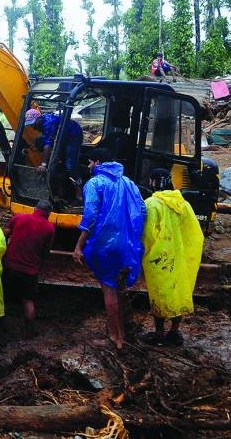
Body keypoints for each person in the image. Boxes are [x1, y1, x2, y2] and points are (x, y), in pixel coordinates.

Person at [74, 148, 146, 350]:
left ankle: (116, 337)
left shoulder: (95, 183)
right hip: (127, 244)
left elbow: (90, 216)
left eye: (89, 162)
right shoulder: (128, 182)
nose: (88, 166)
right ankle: (124, 332)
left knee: (108, 290)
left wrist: (79, 246)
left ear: (97, 162)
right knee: (119, 286)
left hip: (104, 244)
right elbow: (141, 210)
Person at [139, 168, 203, 346]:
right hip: (181, 257)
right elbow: (195, 233)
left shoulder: (151, 204)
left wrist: (141, 253)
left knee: (158, 293)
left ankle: (159, 333)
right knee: (178, 290)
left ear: (153, 182)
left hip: (160, 258)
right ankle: (174, 331)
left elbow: (147, 234)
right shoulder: (184, 204)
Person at [2, 200, 56, 338]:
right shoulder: (49, 228)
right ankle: (29, 333)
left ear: (34, 209)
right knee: (28, 301)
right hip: (29, 271)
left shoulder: (19, 218)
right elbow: (45, 252)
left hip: (9, 265)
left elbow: (3, 237)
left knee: (2, 296)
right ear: (48, 214)